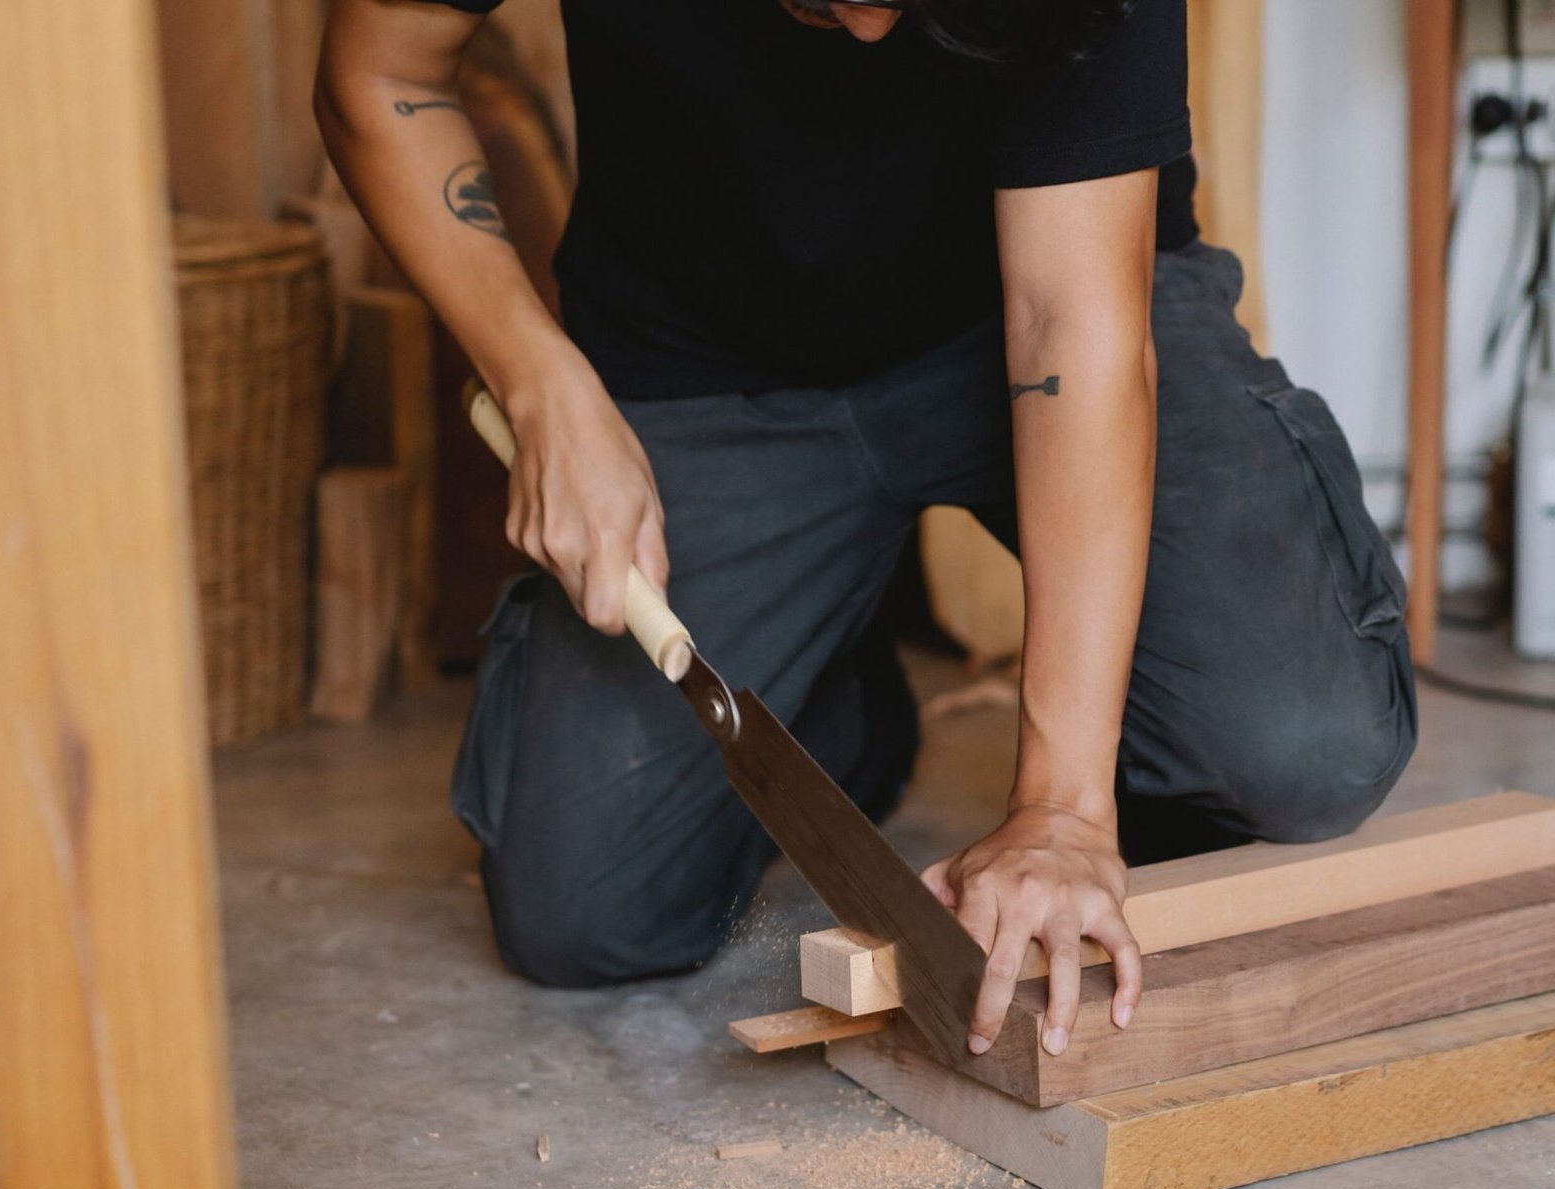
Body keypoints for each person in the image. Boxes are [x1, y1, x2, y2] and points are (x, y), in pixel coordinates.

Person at [316, 0, 1417, 1060]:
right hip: (704, 352)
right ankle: (837, 702)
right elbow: (382, 70)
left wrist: (1063, 810)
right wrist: (537, 381)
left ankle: (1116, 746)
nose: (880, 30)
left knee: (1303, 745)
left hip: (1032, 299)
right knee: (582, 913)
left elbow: (1067, 317)